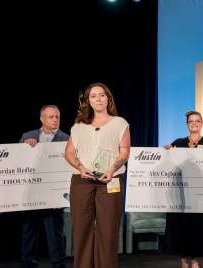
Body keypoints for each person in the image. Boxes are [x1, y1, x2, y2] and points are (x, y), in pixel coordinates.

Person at [64, 82, 130, 268]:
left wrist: (112, 169)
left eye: (102, 95)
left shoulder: (120, 123)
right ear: (88, 101)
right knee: (81, 228)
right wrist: (79, 167)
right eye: (93, 96)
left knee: (108, 230)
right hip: (82, 180)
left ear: (108, 98)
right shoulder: (78, 126)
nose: (98, 99)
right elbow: (69, 152)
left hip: (110, 179)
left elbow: (124, 151)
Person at [163, 111, 203, 268]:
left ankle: (195, 261)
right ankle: (183, 260)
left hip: (201, 193)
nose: (194, 123)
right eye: (191, 121)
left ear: (201, 123)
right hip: (181, 192)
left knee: (198, 226)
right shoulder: (178, 143)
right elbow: (170, 164)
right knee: (181, 226)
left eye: (197, 121)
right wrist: (166, 152)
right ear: (187, 124)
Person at [19, 105, 68, 268]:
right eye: (51, 117)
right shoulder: (28, 136)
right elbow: (17, 161)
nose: (55, 120)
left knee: (55, 233)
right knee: (29, 231)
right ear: (42, 119)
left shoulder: (66, 139)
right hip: (32, 192)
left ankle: (58, 264)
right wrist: (24, 148)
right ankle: (28, 263)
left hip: (53, 194)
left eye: (57, 117)